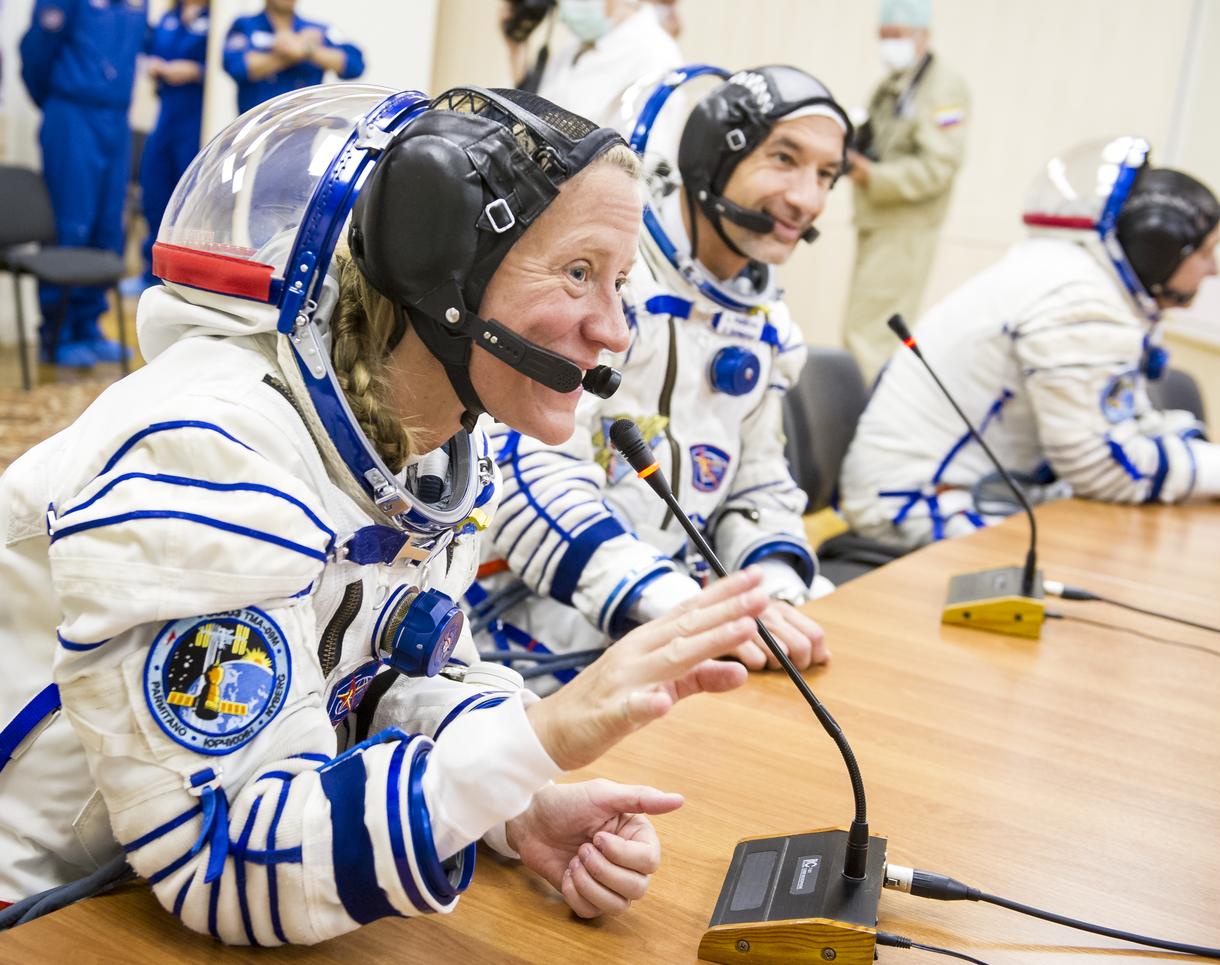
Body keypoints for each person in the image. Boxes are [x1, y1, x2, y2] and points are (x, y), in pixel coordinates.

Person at [0, 84, 772, 940]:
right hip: (43, 910)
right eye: (580, 273)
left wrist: (517, 806)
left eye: (621, 283)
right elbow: (233, 859)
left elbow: (384, 682)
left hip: (130, 898)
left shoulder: (416, 442)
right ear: (435, 266)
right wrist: (539, 737)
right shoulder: (208, 453)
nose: (615, 330)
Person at [467, 66, 852, 691]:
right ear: (713, 157)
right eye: (785, 159)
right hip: (533, 636)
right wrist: (685, 609)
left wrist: (772, 589)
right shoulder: (609, 287)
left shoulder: (767, 325)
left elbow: (757, 483)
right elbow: (524, 477)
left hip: (678, 625)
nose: (807, 200)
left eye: (826, 176)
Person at [839, 137, 1220, 549]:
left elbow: (1121, 423)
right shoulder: (1078, 300)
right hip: (914, 500)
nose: (1215, 269)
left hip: (960, 487)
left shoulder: (1077, 279)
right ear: (1161, 251)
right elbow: (1100, 467)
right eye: (1205, 252)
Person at [841, 0, 970, 375]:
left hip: (905, 228)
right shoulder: (892, 85)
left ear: (922, 36)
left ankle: (859, 422)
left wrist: (872, 175)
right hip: (878, 220)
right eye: (882, 36)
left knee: (871, 337)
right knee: (863, 327)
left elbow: (939, 166)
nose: (887, 45)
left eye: (896, 36)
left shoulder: (943, 88)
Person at [18, 0, 148, 367]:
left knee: (108, 228)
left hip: (115, 121)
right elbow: (35, 57)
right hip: (72, 114)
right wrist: (61, 104)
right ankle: (57, 333)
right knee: (70, 224)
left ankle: (89, 326)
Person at [501, 0, 681, 133]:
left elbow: (649, 164)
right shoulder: (575, 48)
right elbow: (531, 113)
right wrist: (516, 49)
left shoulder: (656, 55)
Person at [129, 1, 210, 294]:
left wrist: (197, 71)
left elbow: (218, 63)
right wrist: (152, 65)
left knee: (187, 198)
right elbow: (147, 46)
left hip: (196, 116)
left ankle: (181, 277)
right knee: (154, 188)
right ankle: (150, 271)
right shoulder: (168, 17)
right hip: (166, 114)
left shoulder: (213, 18)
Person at [223, 0, 364, 116]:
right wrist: (292, 51)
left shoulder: (319, 29)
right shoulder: (244, 25)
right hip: (256, 132)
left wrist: (308, 50)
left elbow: (354, 65)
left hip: (304, 133)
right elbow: (238, 67)